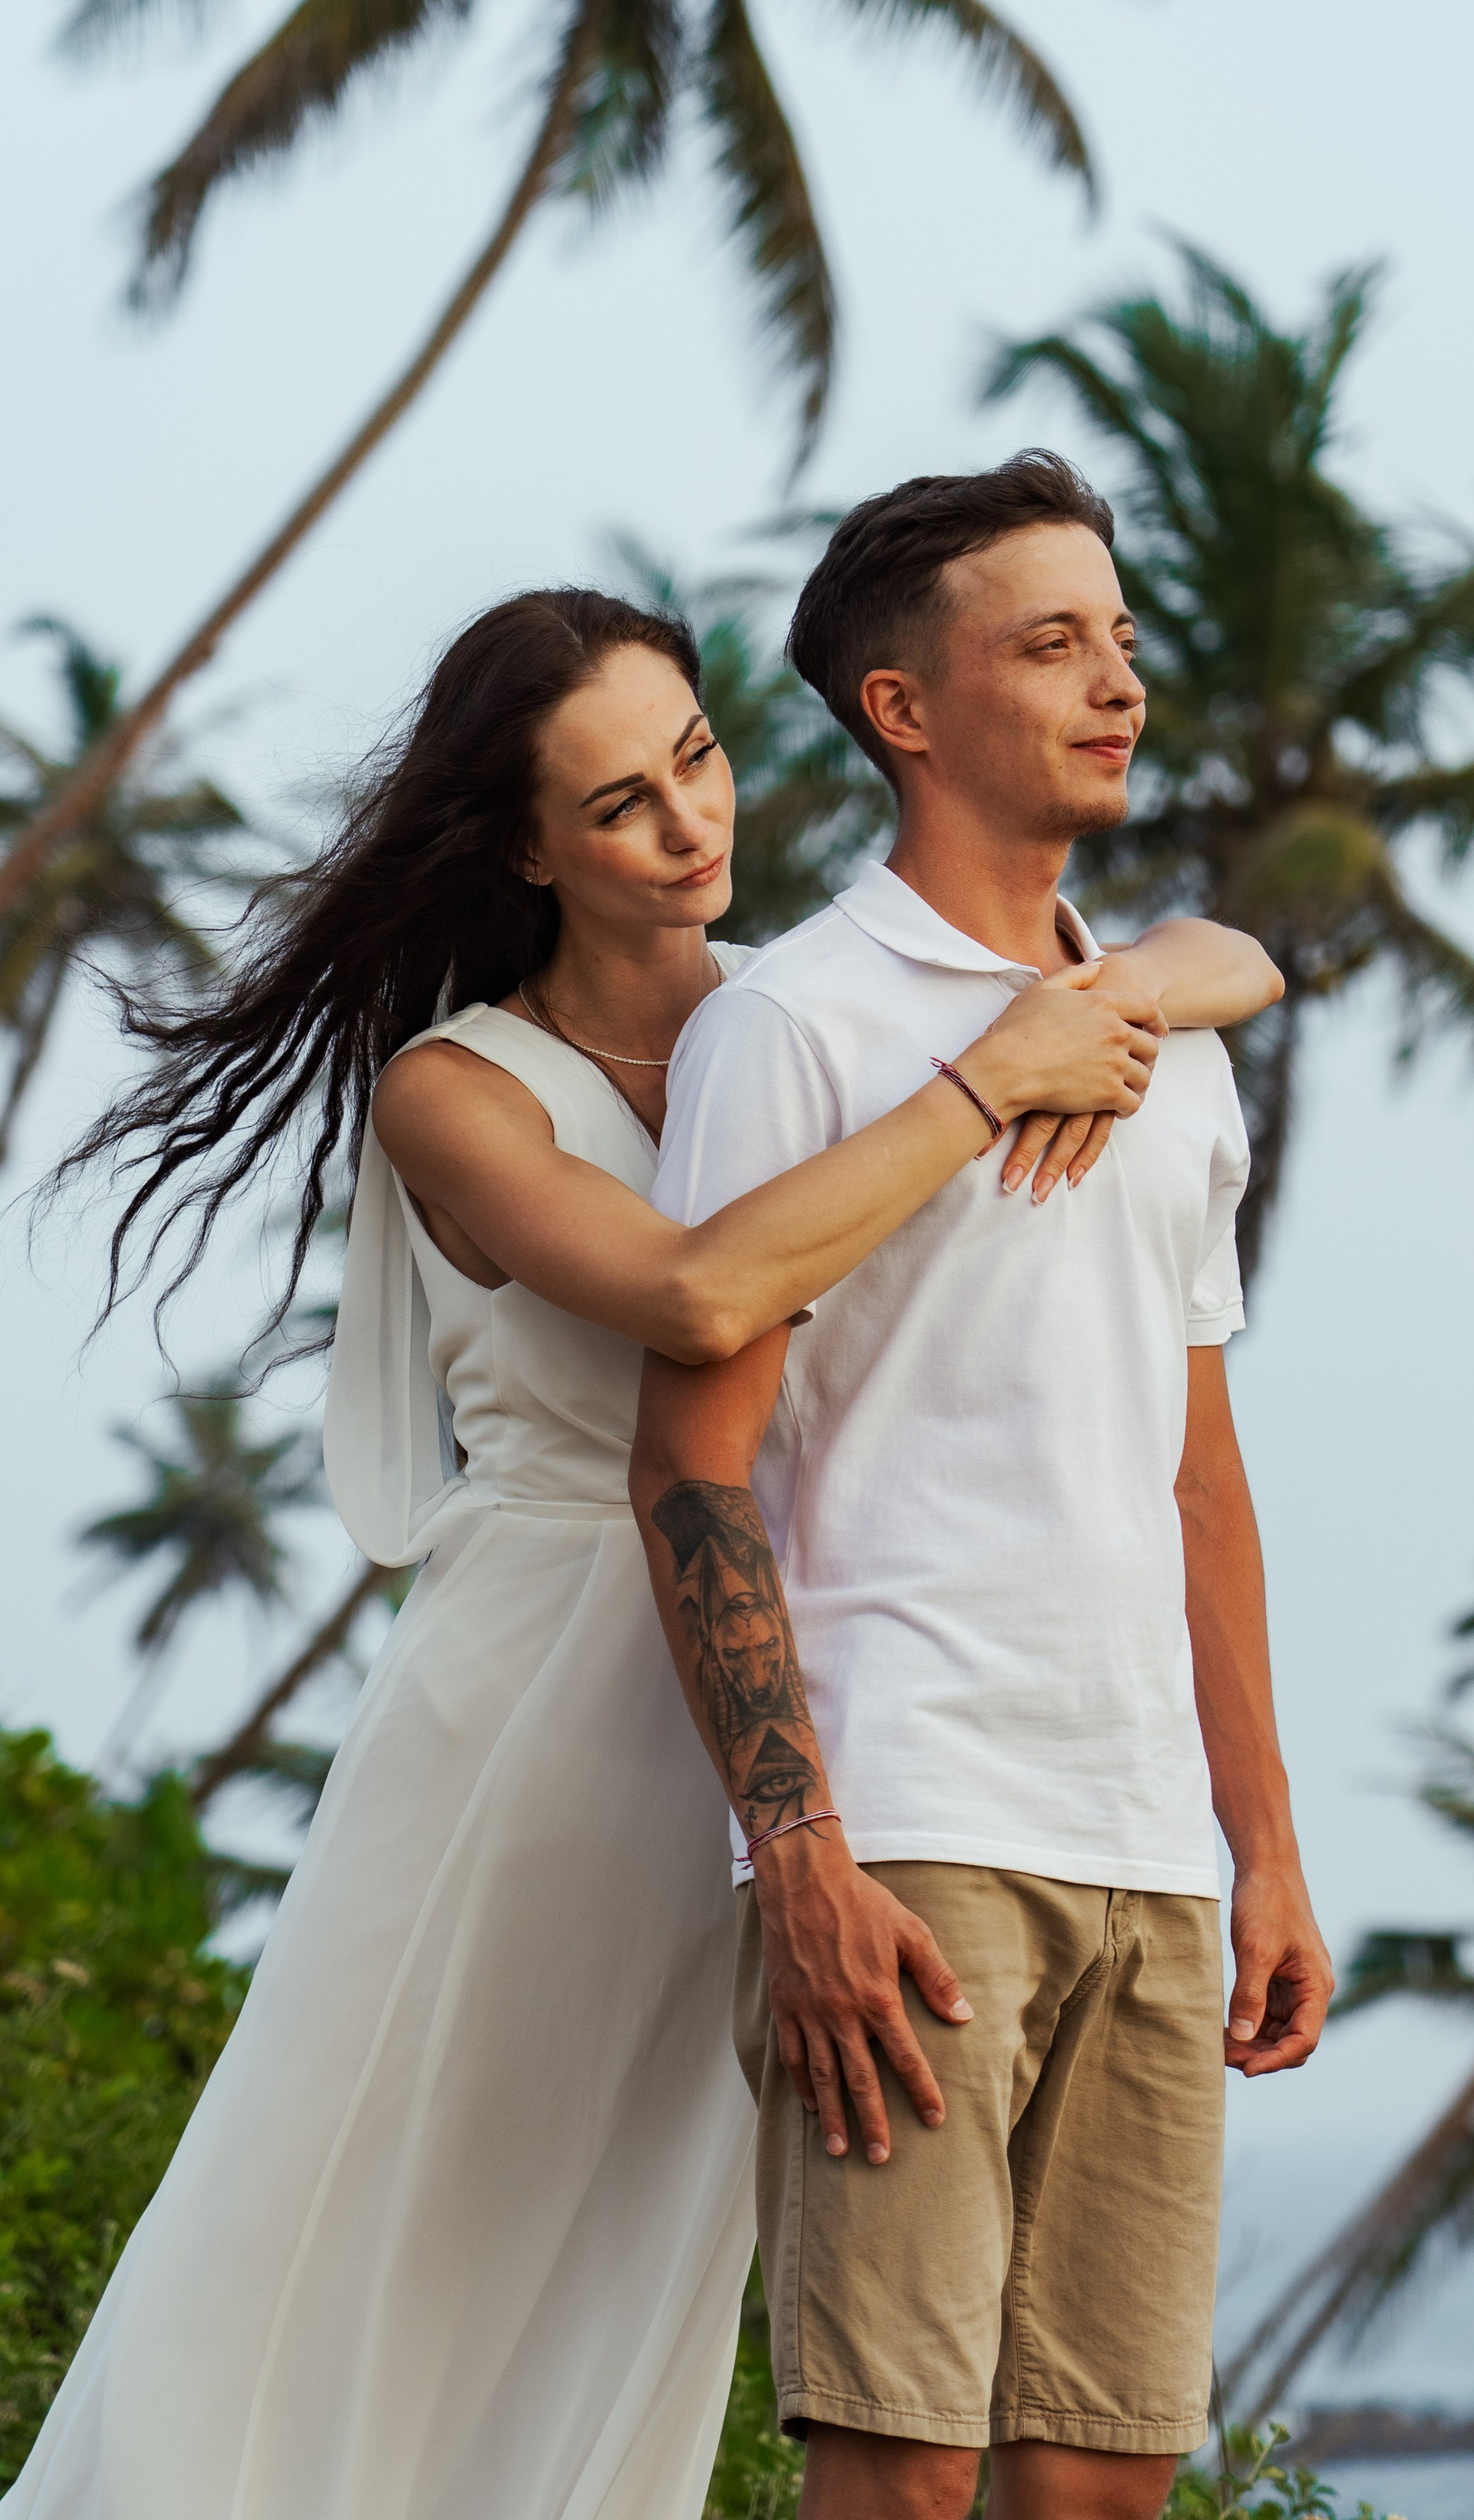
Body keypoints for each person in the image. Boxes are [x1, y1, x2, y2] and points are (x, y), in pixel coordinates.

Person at [8, 585, 1283, 2520]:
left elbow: (1225, 948)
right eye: (621, 805)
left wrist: (1123, 995)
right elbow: (701, 1295)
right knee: (380, 2235)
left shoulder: (791, 1014)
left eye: (695, 759)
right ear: (528, 846)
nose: (694, 825)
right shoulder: (459, 1093)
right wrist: (987, 1082)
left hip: (779, 1684)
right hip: (539, 1719)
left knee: (646, 2275)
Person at [632, 455, 1333, 2520]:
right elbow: (693, 1470)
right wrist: (805, 1860)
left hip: (1143, 1841)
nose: (1117, 683)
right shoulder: (796, 1023)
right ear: (900, 707)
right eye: (1051, 643)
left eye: (1118, 639)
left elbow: (1199, 1468)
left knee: (1109, 2483)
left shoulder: (1165, 1042)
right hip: (913, 1823)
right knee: (905, 2476)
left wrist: (1262, 1846)